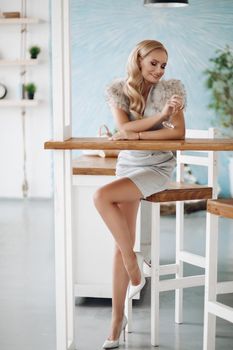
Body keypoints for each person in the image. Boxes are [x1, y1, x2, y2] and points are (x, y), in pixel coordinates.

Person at [93, 39, 186, 349]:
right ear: (139, 60)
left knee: (100, 197)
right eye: (153, 63)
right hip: (128, 166)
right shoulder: (118, 90)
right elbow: (121, 126)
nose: (159, 70)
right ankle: (117, 321)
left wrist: (141, 130)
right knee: (121, 247)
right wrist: (159, 119)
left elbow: (178, 134)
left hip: (157, 168)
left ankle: (135, 265)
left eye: (163, 65)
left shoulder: (172, 89)